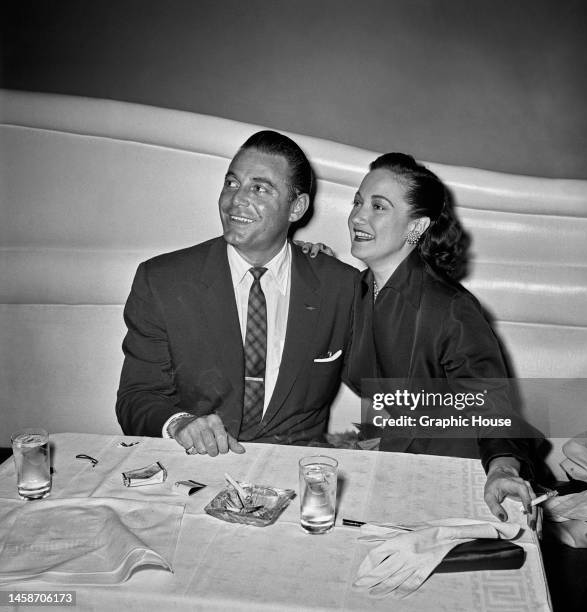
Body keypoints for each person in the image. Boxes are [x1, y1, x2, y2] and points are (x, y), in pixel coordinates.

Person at [116, 130, 357, 457]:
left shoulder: (341, 286)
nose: (236, 200)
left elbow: (400, 386)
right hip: (198, 467)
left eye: (259, 188)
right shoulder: (162, 281)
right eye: (232, 183)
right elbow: (138, 396)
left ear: (296, 207)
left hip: (297, 473)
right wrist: (180, 423)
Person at [340, 153, 538, 523]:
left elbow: (493, 409)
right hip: (401, 458)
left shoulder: (451, 307)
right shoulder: (360, 288)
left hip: (461, 473)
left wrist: (503, 470)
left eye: (378, 206)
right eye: (357, 202)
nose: (357, 216)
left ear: (416, 228)